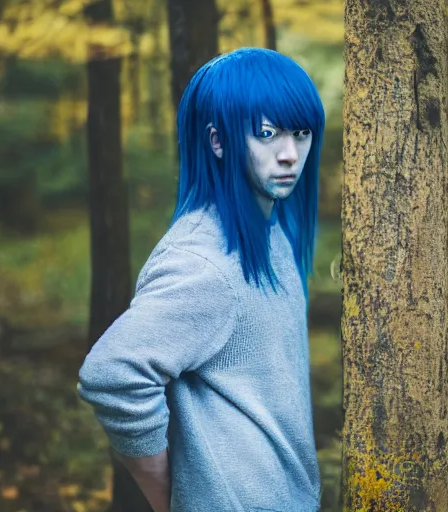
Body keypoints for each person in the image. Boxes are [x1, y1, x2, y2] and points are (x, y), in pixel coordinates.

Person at [77, 47, 325, 512]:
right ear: (218, 141)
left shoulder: (273, 233)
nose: (291, 154)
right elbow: (112, 374)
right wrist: (166, 491)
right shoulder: (204, 261)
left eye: (302, 133)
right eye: (268, 133)